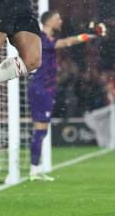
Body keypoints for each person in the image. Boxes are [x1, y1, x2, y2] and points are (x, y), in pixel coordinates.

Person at [28, 10, 98, 181]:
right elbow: (65, 43)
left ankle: (35, 169)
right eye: (58, 18)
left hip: (46, 88)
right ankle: (33, 170)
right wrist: (85, 36)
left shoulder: (46, 38)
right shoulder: (41, 38)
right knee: (40, 129)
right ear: (48, 21)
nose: (61, 20)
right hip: (40, 88)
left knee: (41, 130)